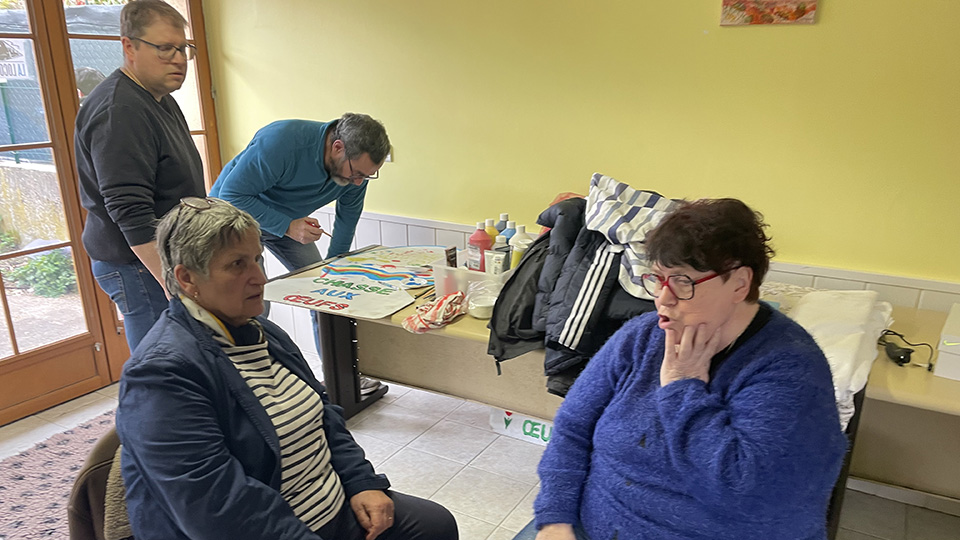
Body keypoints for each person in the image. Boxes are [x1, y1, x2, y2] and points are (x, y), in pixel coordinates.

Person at [115, 197, 458, 540]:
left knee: (435, 525)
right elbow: (218, 511)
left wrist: (361, 481)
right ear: (187, 278)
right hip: (274, 529)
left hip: (330, 508)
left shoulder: (263, 332)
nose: (259, 277)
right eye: (237, 265)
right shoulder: (162, 375)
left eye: (257, 259)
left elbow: (325, 414)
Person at [518, 199, 847, 540]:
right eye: (657, 279)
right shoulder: (643, 336)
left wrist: (682, 385)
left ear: (740, 283)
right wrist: (555, 518)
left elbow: (745, 493)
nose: (663, 298)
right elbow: (572, 427)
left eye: (682, 281)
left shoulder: (791, 368)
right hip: (588, 525)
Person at [209, 113, 389, 393]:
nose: (358, 182)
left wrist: (334, 266)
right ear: (338, 147)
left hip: (288, 222)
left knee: (326, 296)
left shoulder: (356, 170)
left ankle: (338, 377)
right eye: (356, 173)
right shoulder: (282, 141)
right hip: (236, 218)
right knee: (254, 302)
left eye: (366, 176)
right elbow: (232, 194)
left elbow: (348, 216)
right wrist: (288, 226)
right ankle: (255, 386)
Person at [75, 0, 203, 350]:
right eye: (165, 48)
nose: (178, 59)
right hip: (138, 263)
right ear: (129, 47)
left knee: (182, 357)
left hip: (164, 256)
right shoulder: (120, 109)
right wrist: (169, 280)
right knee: (160, 364)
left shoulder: (158, 97)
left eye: (183, 49)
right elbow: (129, 209)